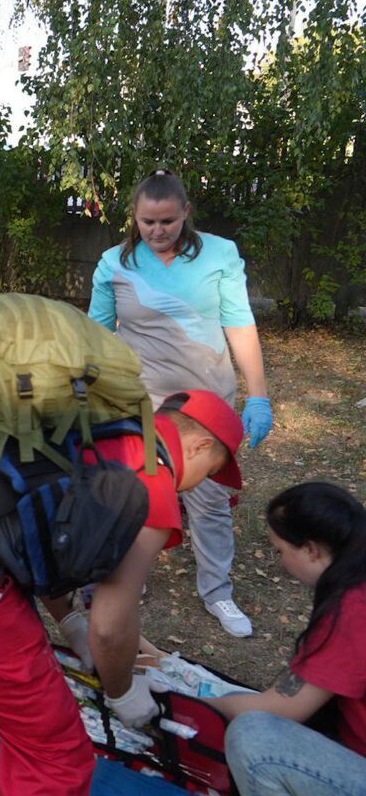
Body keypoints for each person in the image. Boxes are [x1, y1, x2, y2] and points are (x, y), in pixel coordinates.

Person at [0, 389, 245, 794]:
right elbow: (110, 623)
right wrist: (123, 691)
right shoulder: (152, 482)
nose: (201, 484)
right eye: (211, 471)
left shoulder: (102, 429)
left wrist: (71, 622)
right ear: (200, 445)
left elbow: (44, 536)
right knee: (57, 753)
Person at [89, 169, 274, 638]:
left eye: (168, 221)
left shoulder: (220, 255)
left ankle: (218, 591)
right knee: (137, 491)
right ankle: (127, 576)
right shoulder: (114, 263)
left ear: (185, 213)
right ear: (134, 216)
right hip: (142, 399)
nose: (157, 230)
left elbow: (239, 324)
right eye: (148, 221)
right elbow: (95, 335)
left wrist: (259, 395)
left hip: (206, 402)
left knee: (209, 499)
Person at [205, 483, 366, 795]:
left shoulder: (353, 610)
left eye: (280, 550)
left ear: (310, 549)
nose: (280, 562)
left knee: (255, 738)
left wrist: (198, 702)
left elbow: (280, 708)